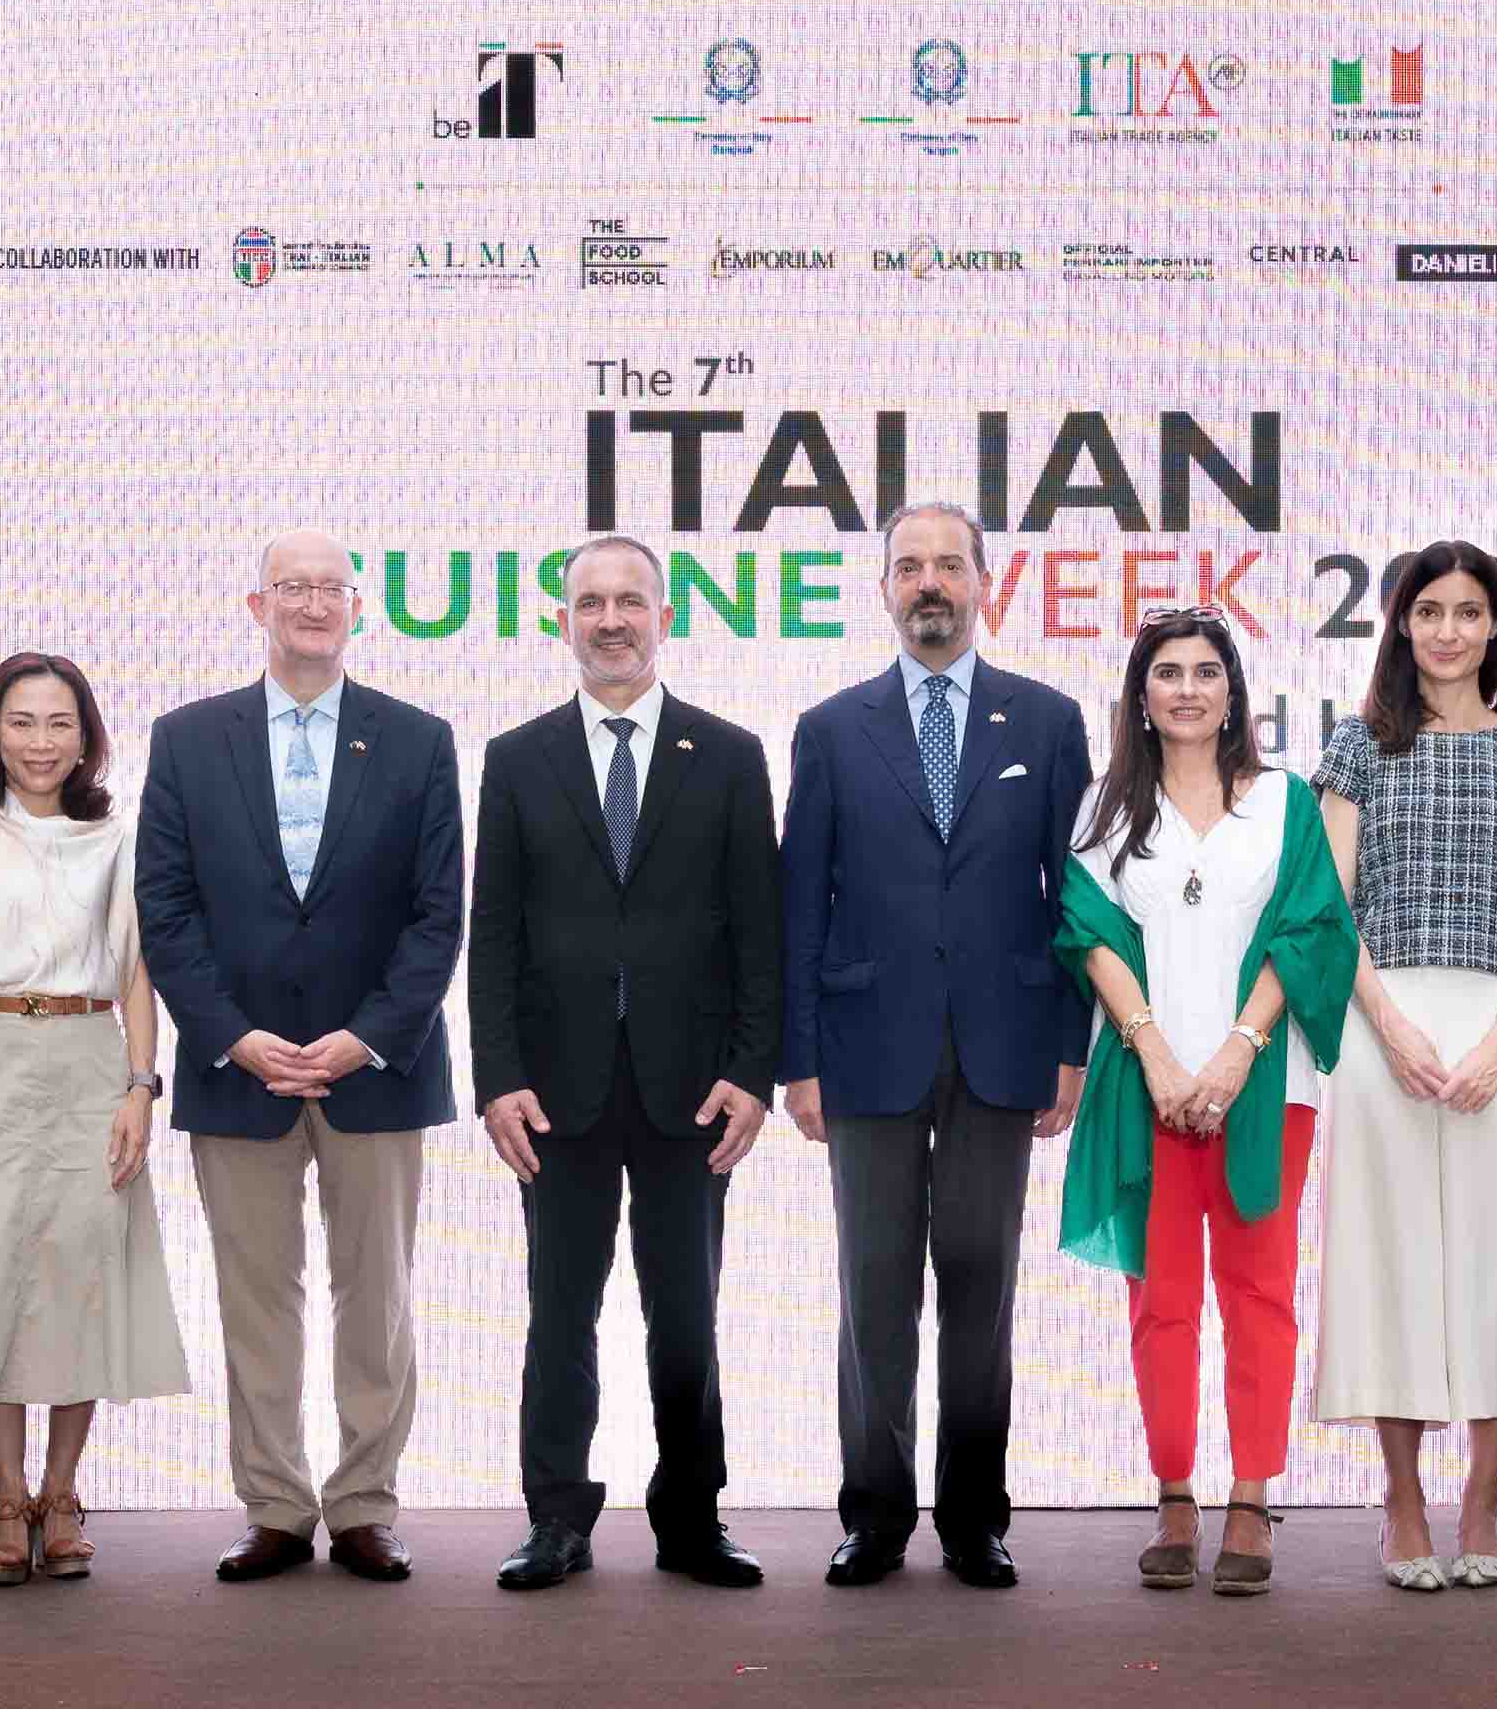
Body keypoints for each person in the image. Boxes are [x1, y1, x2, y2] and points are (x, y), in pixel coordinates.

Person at [135, 531, 464, 1584]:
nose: (314, 604)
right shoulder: (188, 740)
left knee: (379, 1300)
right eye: (293, 587)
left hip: (379, 1070)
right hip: (240, 1069)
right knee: (255, 1301)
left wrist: (368, 1037)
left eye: (332, 588)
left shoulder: (419, 740)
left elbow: (439, 915)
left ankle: (365, 1505)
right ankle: (274, 1506)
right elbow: (165, 910)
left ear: (358, 607)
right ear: (257, 605)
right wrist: (232, 1036)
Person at [778, 502, 1090, 1590]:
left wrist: (1072, 1044)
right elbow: (800, 905)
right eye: (909, 566)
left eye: (949, 565)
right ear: (883, 589)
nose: (930, 583)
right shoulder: (831, 729)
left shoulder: (1046, 723)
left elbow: (1074, 896)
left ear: (983, 585)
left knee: (979, 1284)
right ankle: (873, 1515)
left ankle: (972, 1518)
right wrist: (798, 1060)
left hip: (1004, 1046)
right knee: (873, 1288)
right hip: (863, 1048)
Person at [468, 535, 781, 1592]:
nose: (611, 620)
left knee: (685, 1315)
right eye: (591, 603)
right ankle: (556, 1518)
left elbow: (759, 930)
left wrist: (753, 1072)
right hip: (553, 1094)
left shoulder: (728, 754)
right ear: (563, 621)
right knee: (560, 1312)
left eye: (630, 601)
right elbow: (492, 934)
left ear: (664, 618)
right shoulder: (517, 758)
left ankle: (692, 1517)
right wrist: (496, 1077)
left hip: (693, 1090)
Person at [1057, 607, 1355, 1596]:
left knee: (1261, 1292)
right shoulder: (1104, 810)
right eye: (1167, 673)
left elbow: (1310, 931)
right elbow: (1090, 933)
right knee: (1161, 1299)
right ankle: (1176, 1494)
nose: (1187, 689)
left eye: (1205, 672)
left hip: (1265, 1087)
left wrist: (1235, 1054)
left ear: (1233, 693)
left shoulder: (1284, 802)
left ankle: (1253, 1497)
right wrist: (1156, 1057)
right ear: (1140, 697)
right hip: (1144, 1086)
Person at [1309, 542, 1497, 1591]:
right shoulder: (1357, 746)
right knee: (1393, 1264)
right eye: (1429, 612)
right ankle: (1403, 1500)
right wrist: (1387, 1026)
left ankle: (1483, 1496)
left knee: (1493, 1261)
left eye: (1469, 612)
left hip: (1496, 1030)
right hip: (1381, 1027)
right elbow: (1330, 907)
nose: (1448, 631)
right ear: (1401, 625)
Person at [0, 652, 191, 1586]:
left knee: (77, 1276)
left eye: (60, 723)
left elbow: (139, 975)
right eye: (22, 722)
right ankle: (6, 1495)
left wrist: (141, 1088)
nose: (40, 741)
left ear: (86, 738)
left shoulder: (120, 838)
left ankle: (63, 1496)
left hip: (89, 1063)